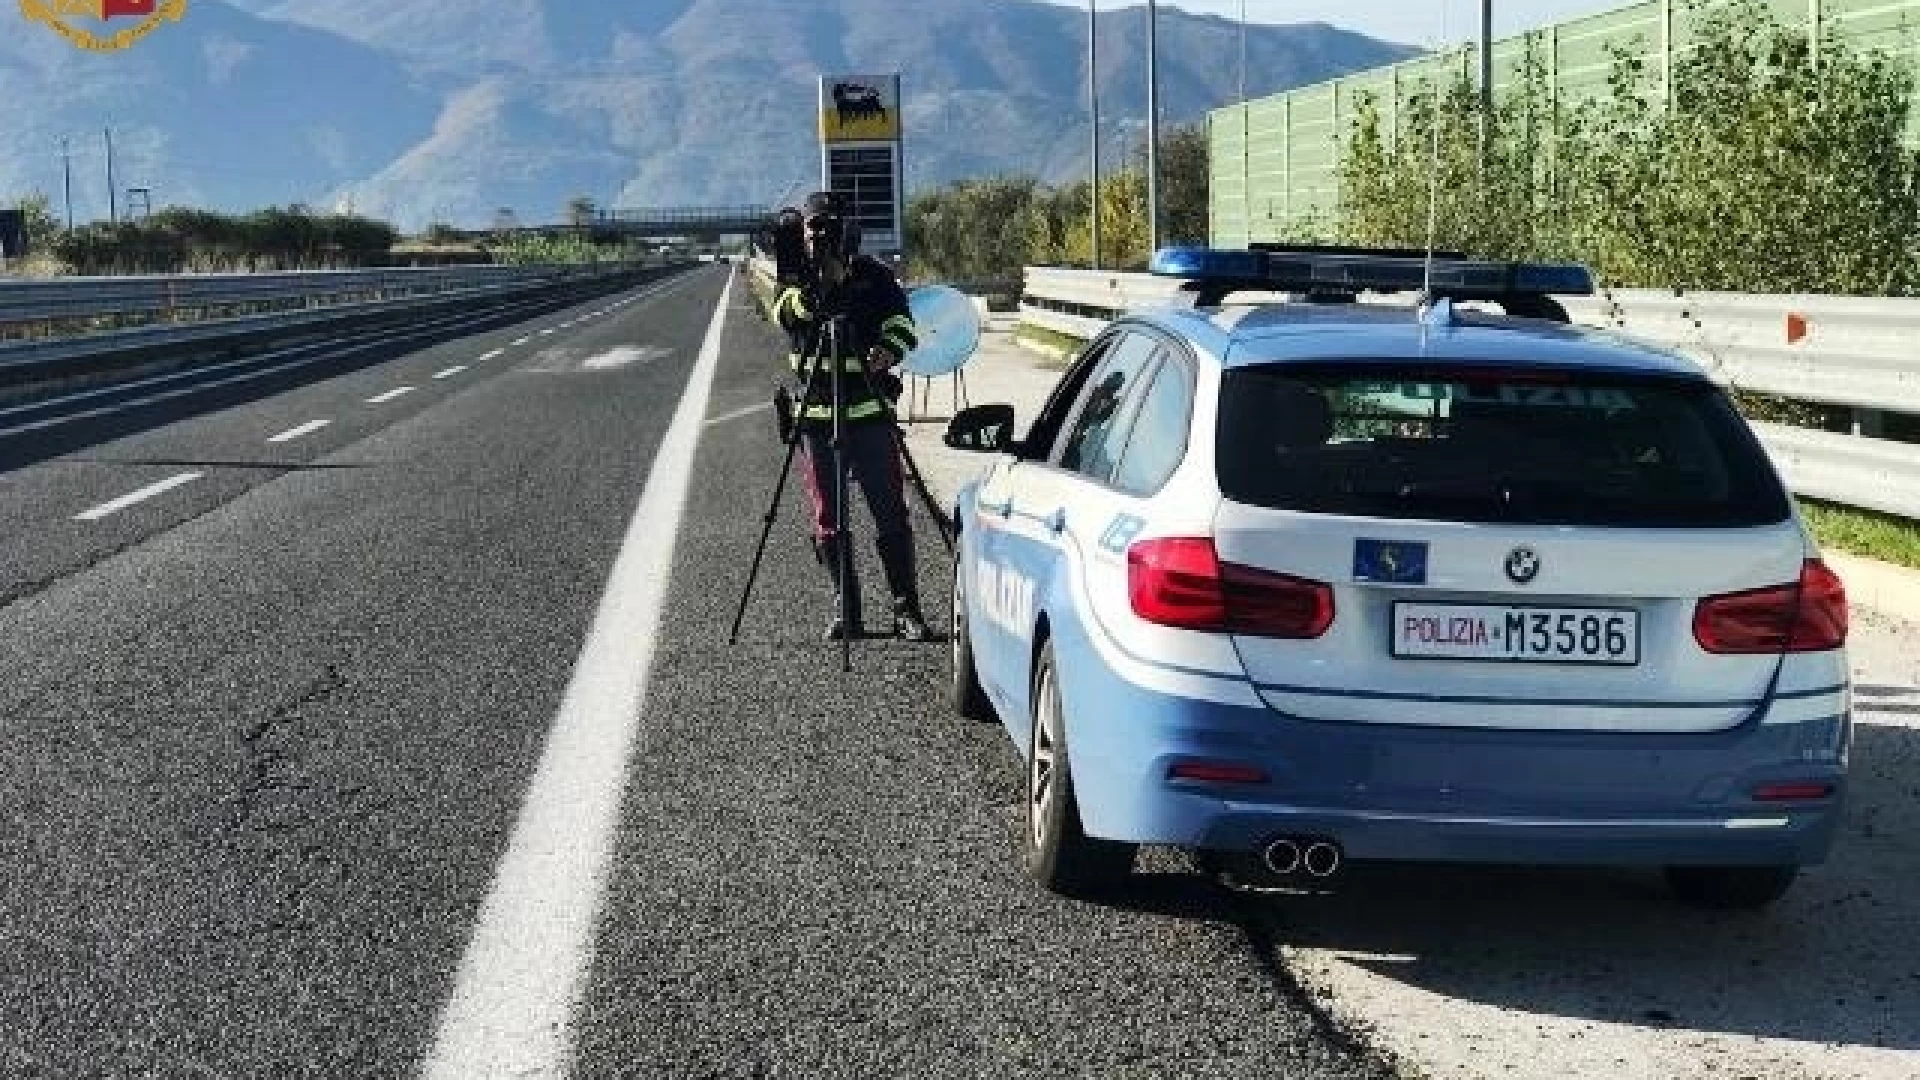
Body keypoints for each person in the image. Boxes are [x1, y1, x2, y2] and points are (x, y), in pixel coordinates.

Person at [774, 192, 929, 642]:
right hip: (817, 419)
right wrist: (818, 289)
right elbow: (788, 313)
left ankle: (906, 607)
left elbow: (903, 324)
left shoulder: (875, 279)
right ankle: (848, 607)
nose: (817, 236)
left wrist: (889, 349)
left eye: (826, 227)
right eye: (811, 228)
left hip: (868, 415)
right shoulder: (794, 282)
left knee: (890, 513)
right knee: (828, 518)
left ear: (846, 232)